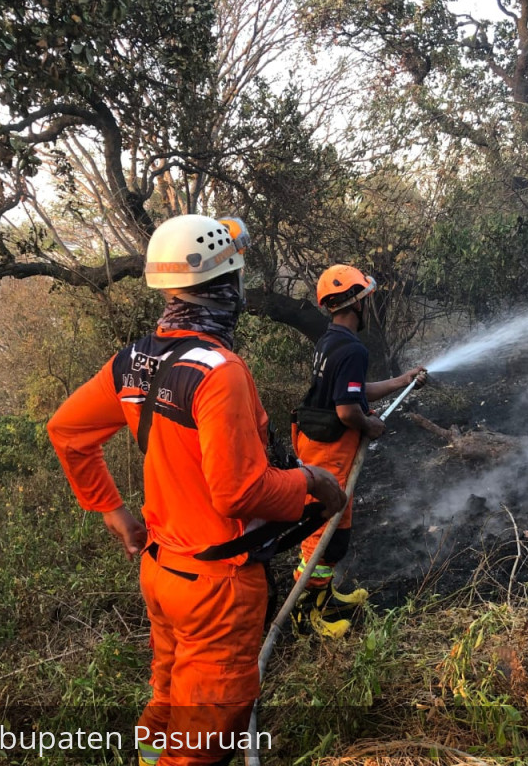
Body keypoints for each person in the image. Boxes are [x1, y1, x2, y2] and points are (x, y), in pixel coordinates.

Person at [47, 214, 347, 766]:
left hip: (162, 573)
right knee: (202, 741)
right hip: (216, 587)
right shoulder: (219, 371)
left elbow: (66, 431)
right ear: (226, 284)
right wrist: (311, 481)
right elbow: (238, 493)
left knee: (167, 696)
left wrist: (112, 510)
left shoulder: (134, 360)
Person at [291, 264, 427, 638]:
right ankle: (306, 615)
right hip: (329, 452)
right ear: (356, 303)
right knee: (323, 537)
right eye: (367, 298)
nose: (369, 305)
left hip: (320, 445)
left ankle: (325, 596)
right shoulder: (351, 349)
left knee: (336, 531)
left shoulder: (330, 340)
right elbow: (347, 410)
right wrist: (370, 425)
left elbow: (351, 391)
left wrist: (401, 381)